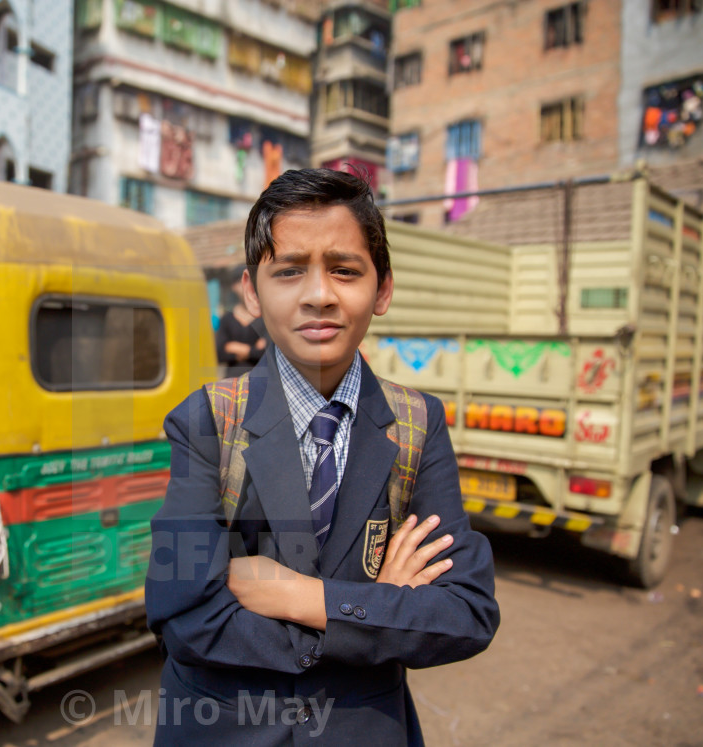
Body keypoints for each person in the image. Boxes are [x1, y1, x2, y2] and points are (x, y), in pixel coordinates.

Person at [145, 169, 499, 743]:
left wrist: (300, 596)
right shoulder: (207, 420)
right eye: (288, 271)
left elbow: (465, 614)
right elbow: (185, 615)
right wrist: (374, 606)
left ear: (382, 289)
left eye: (344, 269)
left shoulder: (417, 425)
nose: (318, 294)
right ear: (251, 293)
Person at [215, 264, 267, 377]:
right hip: (233, 384)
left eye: (252, 280)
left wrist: (241, 349)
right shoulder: (226, 319)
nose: (248, 286)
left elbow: (270, 352)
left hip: (263, 380)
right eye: (242, 282)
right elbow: (219, 354)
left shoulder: (267, 317)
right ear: (233, 286)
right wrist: (254, 350)